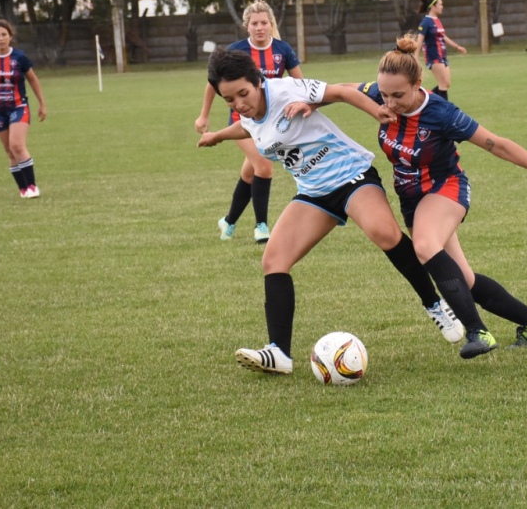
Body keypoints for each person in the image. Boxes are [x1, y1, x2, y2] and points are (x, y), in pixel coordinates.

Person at [298, 35, 527, 358]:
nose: (388, 103)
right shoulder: (379, 92)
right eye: (385, 94)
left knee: (424, 246)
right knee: (464, 280)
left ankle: (478, 333)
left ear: (419, 83)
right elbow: (341, 90)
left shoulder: (442, 114)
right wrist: (311, 103)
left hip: (445, 189)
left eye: (398, 95)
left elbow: (496, 143)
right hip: (411, 200)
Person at [197, 48, 464, 375]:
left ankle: (435, 304)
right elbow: (248, 128)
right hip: (313, 192)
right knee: (274, 260)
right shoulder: (249, 114)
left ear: (258, 81)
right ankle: (279, 353)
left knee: (384, 233)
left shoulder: (284, 90)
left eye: (243, 93)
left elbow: (339, 91)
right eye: (229, 100)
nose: (238, 104)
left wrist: (375, 111)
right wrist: (218, 137)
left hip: (351, 176)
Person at [195, 0, 302, 243]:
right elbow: (214, 84)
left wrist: (301, 105)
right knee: (264, 166)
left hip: (270, 121)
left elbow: (299, 84)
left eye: (264, 22)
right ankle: (261, 226)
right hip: (242, 120)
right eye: (255, 23)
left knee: (251, 172)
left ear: (271, 24)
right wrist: (204, 114)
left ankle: (229, 222)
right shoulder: (236, 50)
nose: (260, 27)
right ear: (247, 26)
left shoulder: (283, 50)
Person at [0, 19, 47, 198]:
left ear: (10, 36)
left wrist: (42, 104)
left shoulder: (19, 57)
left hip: (18, 106)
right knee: (9, 149)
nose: (1, 38)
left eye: (4, 35)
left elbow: (33, 80)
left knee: (17, 145)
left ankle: (33, 187)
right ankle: (23, 188)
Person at [415, 0, 466, 100]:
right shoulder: (426, 22)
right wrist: (415, 57)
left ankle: (424, 101)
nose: (442, 7)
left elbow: (443, 37)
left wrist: (457, 47)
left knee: (446, 83)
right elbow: (419, 41)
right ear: (433, 6)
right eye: (440, 5)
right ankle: (444, 111)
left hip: (442, 55)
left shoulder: (436, 20)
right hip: (433, 56)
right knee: (443, 83)